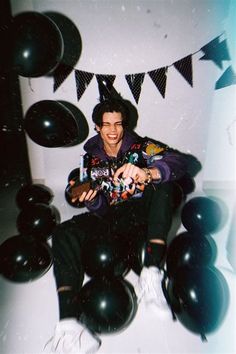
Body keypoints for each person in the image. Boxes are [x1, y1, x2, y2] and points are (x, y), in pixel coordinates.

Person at [46, 98, 190, 353]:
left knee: (165, 186)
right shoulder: (90, 161)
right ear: (97, 128)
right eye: (106, 125)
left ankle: (151, 274)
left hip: (144, 215)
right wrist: (92, 201)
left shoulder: (143, 147)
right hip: (113, 218)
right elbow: (101, 207)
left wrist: (148, 173)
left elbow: (181, 162)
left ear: (124, 125)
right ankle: (70, 325)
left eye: (118, 124)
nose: (113, 131)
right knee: (63, 232)